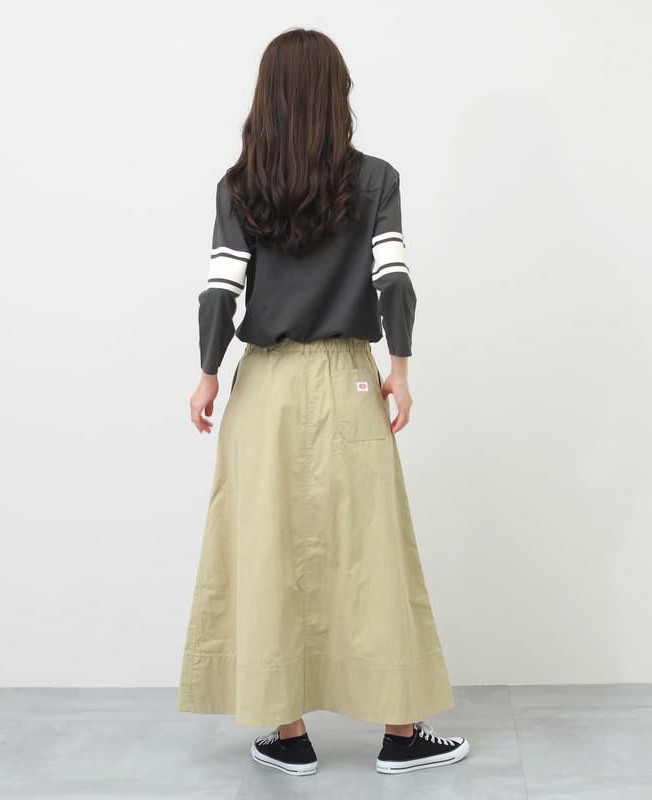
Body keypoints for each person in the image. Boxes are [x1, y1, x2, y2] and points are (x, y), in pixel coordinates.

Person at [178, 27, 470, 776]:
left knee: (269, 547)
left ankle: (288, 733)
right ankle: (400, 735)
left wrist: (207, 373)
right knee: (372, 549)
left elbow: (220, 290)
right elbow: (392, 279)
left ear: (268, 97)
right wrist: (399, 367)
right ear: (338, 95)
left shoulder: (239, 187)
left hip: (264, 388)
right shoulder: (375, 180)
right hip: (348, 379)